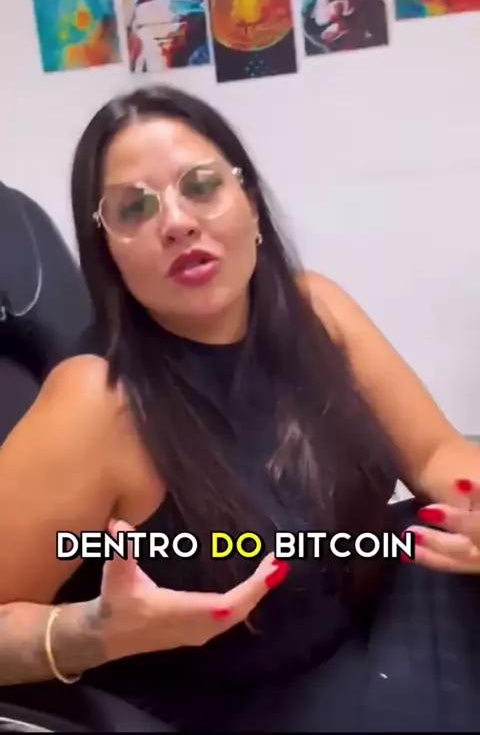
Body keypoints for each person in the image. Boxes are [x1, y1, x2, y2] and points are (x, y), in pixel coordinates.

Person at [1, 85, 480, 732]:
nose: (177, 222)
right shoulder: (96, 403)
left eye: (201, 187)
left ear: (250, 203)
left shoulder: (317, 311)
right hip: (247, 706)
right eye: (134, 208)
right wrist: (92, 632)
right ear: (109, 251)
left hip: (368, 623)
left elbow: (436, 455)